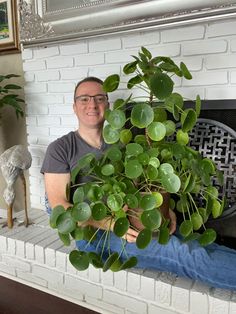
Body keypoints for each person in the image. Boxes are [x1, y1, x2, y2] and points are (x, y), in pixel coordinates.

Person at [41, 76, 236, 291]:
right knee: (180, 252)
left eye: (99, 98)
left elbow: (141, 187)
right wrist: (111, 223)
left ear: (108, 104)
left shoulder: (122, 144)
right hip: (96, 236)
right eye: (84, 99)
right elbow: (60, 209)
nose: (92, 105)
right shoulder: (60, 148)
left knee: (197, 243)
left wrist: (165, 208)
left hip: (133, 220)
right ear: (74, 107)